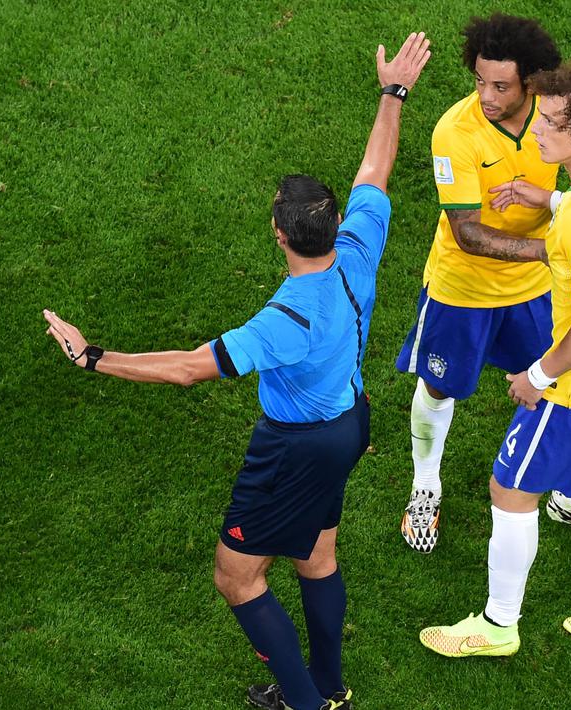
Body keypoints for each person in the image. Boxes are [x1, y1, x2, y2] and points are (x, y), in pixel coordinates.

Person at [43, 32, 431, 710]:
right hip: (348, 420)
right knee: (315, 557)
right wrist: (391, 93)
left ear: (277, 234)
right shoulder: (358, 249)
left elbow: (189, 369)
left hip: (296, 447)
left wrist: (93, 356)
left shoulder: (284, 320)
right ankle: (331, 689)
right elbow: (375, 168)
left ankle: (306, 703)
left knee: (237, 578)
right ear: (334, 222)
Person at [420, 60, 571, 658]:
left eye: (552, 124)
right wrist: (552, 197)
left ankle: (497, 627)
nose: (538, 133)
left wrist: (536, 376)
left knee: (509, 490)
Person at [394, 13, 571, 554]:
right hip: (462, 290)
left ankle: (563, 491)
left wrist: (553, 215)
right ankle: (425, 484)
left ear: (532, 82)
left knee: (556, 383)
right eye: (479, 81)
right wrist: (551, 252)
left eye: (500, 85)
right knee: (439, 387)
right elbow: (466, 232)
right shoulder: (455, 132)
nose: (486, 95)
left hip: (533, 288)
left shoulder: (558, 116)